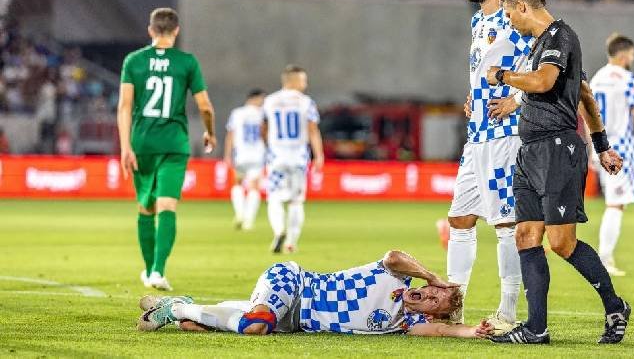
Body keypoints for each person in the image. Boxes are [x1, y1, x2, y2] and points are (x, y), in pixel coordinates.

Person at [485, 0, 630, 344]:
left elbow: (544, 81)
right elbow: (583, 95)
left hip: (557, 150)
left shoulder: (561, 37)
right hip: (530, 151)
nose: (509, 23)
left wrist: (502, 76)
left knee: (562, 243)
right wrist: (603, 146)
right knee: (525, 235)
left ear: (522, 7)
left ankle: (615, 306)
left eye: (508, 15)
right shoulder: (541, 45)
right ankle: (536, 329)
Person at [444, 0, 534, 332]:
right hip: (477, 133)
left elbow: (543, 65)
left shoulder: (515, 17)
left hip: (503, 135)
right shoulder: (479, 21)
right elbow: (482, 71)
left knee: (505, 224)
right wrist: (473, 97)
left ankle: (508, 310)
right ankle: (453, 305)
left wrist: (517, 99)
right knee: (459, 218)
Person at [137, 250, 494, 338]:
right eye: (431, 292)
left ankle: (188, 312)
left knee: (222, 325)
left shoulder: (405, 323)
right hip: (295, 282)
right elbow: (393, 254)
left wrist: (472, 331)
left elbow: (447, 330)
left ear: (430, 315)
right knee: (255, 326)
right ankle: (175, 307)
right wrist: (433, 275)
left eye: (435, 302)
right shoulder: (397, 275)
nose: (428, 296)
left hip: (295, 322)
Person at [117, 7, 216, 291]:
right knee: (168, 206)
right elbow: (205, 106)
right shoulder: (187, 62)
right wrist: (210, 132)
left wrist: (125, 146)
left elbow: (124, 106)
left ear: (150, 31)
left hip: (142, 142)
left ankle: (150, 270)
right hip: (175, 144)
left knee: (146, 208)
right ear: (176, 31)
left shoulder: (133, 61)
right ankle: (159, 271)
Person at [590, 34, 634, 276]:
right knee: (616, 204)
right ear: (623, 54)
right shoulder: (629, 80)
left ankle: (604, 258)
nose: (632, 59)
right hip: (620, 149)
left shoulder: (597, 78)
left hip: (598, 147)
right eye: (632, 55)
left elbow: (586, 113)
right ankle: (604, 260)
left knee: (614, 202)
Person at [262, 65, 324, 253]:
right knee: (296, 201)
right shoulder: (306, 103)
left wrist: (269, 145)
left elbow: (263, 129)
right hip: (298, 158)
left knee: (274, 197)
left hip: (276, 157)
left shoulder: (270, 101)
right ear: (294, 81)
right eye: (303, 80)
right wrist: (319, 155)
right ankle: (290, 242)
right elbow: (313, 130)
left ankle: (279, 230)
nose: (305, 84)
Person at [224, 88, 266, 230]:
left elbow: (231, 134)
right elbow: (264, 134)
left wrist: (227, 154)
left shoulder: (237, 113)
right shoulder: (262, 114)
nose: (262, 102)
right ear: (254, 98)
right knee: (254, 186)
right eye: (261, 99)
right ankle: (248, 221)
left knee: (237, 184)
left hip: (240, 154)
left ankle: (240, 214)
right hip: (257, 154)